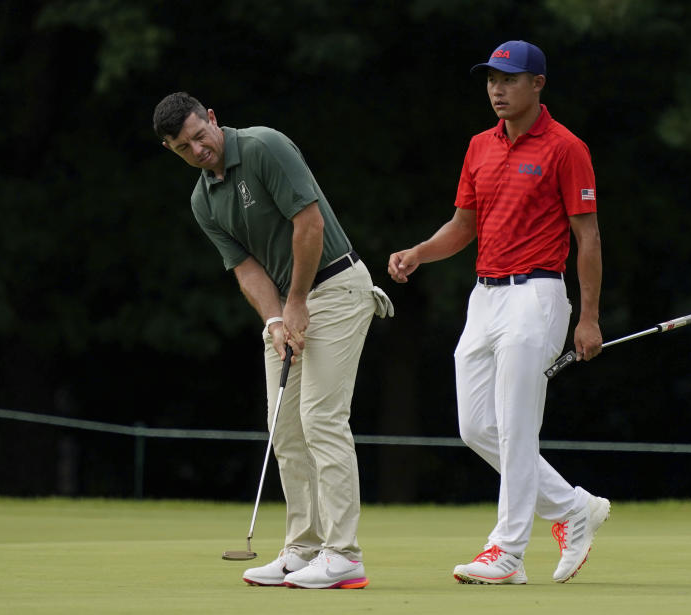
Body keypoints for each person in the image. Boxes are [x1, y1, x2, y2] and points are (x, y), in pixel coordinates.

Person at [388, 41, 610, 585]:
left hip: (537, 294)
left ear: (538, 84)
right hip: (484, 296)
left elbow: (589, 236)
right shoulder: (478, 147)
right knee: (476, 426)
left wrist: (588, 316)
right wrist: (419, 252)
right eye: (491, 79)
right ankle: (570, 507)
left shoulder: (566, 147)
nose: (497, 89)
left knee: (515, 425)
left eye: (509, 79)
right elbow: (465, 225)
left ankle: (507, 552)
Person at [153, 92, 392, 590]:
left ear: (213, 119)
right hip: (289, 304)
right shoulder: (203, 200)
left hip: (336, 287)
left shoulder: (264, 146)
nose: (197, 151)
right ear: (171, 151)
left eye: (200, 136)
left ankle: (343, 554)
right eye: (183, 148)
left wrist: (298, 302)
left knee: (321, 419)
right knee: (284, 430)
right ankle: (302, 550)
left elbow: (310, 224)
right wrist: (275, 321)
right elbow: (246, 269)